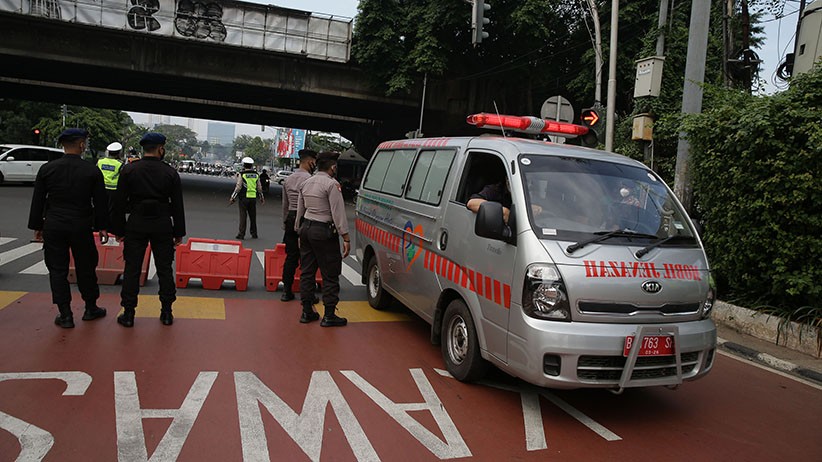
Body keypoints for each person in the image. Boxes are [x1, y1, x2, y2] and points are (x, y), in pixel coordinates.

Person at [27, 128, 109, 328]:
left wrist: (38, 226)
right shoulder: (91, 170)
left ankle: (65, 315)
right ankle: (91, 308)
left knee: (57, 269)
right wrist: (103, 228)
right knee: (86, 266)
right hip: (81, 225)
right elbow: (100, 203)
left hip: (54, 224)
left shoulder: (47, 169)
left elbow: (38, 201)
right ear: (81, 145)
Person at [110, 133, 186, 327]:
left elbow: (119, 203)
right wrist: (178, 232)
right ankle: (167, 312)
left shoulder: (129, 170)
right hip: (162, 224)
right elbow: (177, 205)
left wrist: (119, 229)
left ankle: (128, 313)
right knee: (164, 269)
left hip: (136, 223)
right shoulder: (170, 173)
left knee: (132, 268)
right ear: (161, 149)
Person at [295, 151, 350, 327]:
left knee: (307, 272)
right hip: (323, 232)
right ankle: (329, 315)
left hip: (306, 229)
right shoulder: (332, 185)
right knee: (330, 273)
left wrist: (298, 230)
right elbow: (338, 213)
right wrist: (346, 238)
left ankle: (307, 311)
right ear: (333, 167)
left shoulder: (306, 182)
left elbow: (299, 211)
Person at [281, 149, 318, 302]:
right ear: (310, 162)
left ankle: (286, 291)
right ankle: (307, 295)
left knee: (291, 257)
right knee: (308, 259)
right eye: (314, 163)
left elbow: (285, 204)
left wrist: (285, 223)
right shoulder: (310, 180)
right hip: (305, 218)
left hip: (290, 217)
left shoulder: (288, 179)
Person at [467, 178, 542, 223]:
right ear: (507, 179)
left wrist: (538, 210)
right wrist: (502, 211)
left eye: (528, 182)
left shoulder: (532, 194)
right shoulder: (496, 190)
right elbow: (472, 203)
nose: (525, 184)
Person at [230, 157, 264, 239]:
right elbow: (259, 187)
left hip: (244, 198)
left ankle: (241, 234)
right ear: (251, 165)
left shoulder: (242, 174)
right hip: (253, 198)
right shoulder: (256, 175)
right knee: (253, 217)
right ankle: (254, 233)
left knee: (243, 217)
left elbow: (238, 187)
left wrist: (232, 197)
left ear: (243, 165)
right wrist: (261, 197)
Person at [97, 141, 124, 207]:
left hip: (101, 188)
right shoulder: (120, 163)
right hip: (114, 190)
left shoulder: (100, 161)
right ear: (119, 153)